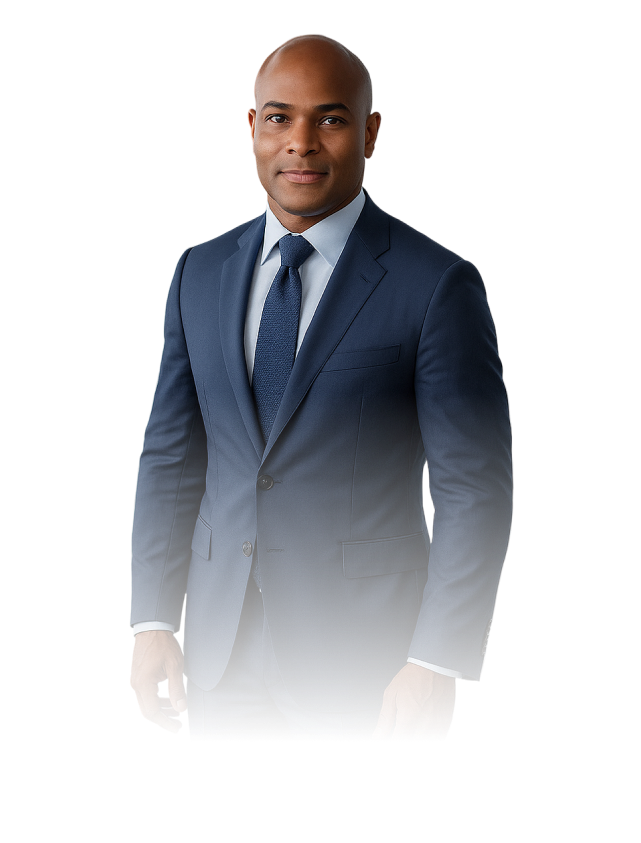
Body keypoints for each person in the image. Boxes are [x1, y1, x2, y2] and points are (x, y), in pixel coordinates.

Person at [129, 33, 513, 741]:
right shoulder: (197, 272)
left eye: (330, 119)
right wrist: (151, 619)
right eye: (280, 117)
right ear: (252, 128)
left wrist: (438, 658)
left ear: (370, 133)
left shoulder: (436, 285)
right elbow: (171, 459)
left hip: (367, 659)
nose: (300, 142)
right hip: (213, 652)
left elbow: (473, 490)